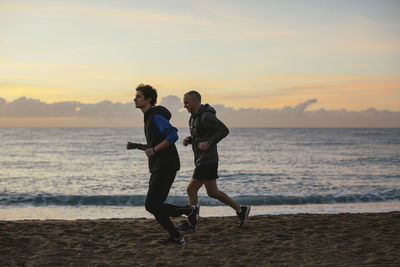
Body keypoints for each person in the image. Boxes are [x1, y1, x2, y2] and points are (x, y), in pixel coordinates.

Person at [127, 84, 193, 245]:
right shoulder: (149, 117)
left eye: (138, 96)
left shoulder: (156, 116)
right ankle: (176, 236)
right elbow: (155, 142)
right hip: (160, 165)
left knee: (151, 204)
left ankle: (188, 210)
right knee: (155, 206)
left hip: (166, 165)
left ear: (148, 99)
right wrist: (137, 146)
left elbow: (173, 135)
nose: (134, 99)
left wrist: (155, 150)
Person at [178, 90, 250, 232]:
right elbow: (201, 135)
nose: (185, 105)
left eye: (186, 102)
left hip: (207, 160)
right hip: (200, 159)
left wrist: (210, 143)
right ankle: (241, 210)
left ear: (195, 101)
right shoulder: (193, 118)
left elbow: (224, 130)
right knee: (213, 192)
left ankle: (192, 224)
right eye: (184, 103)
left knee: (191, 190)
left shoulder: (206, 116)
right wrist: (190, 139)